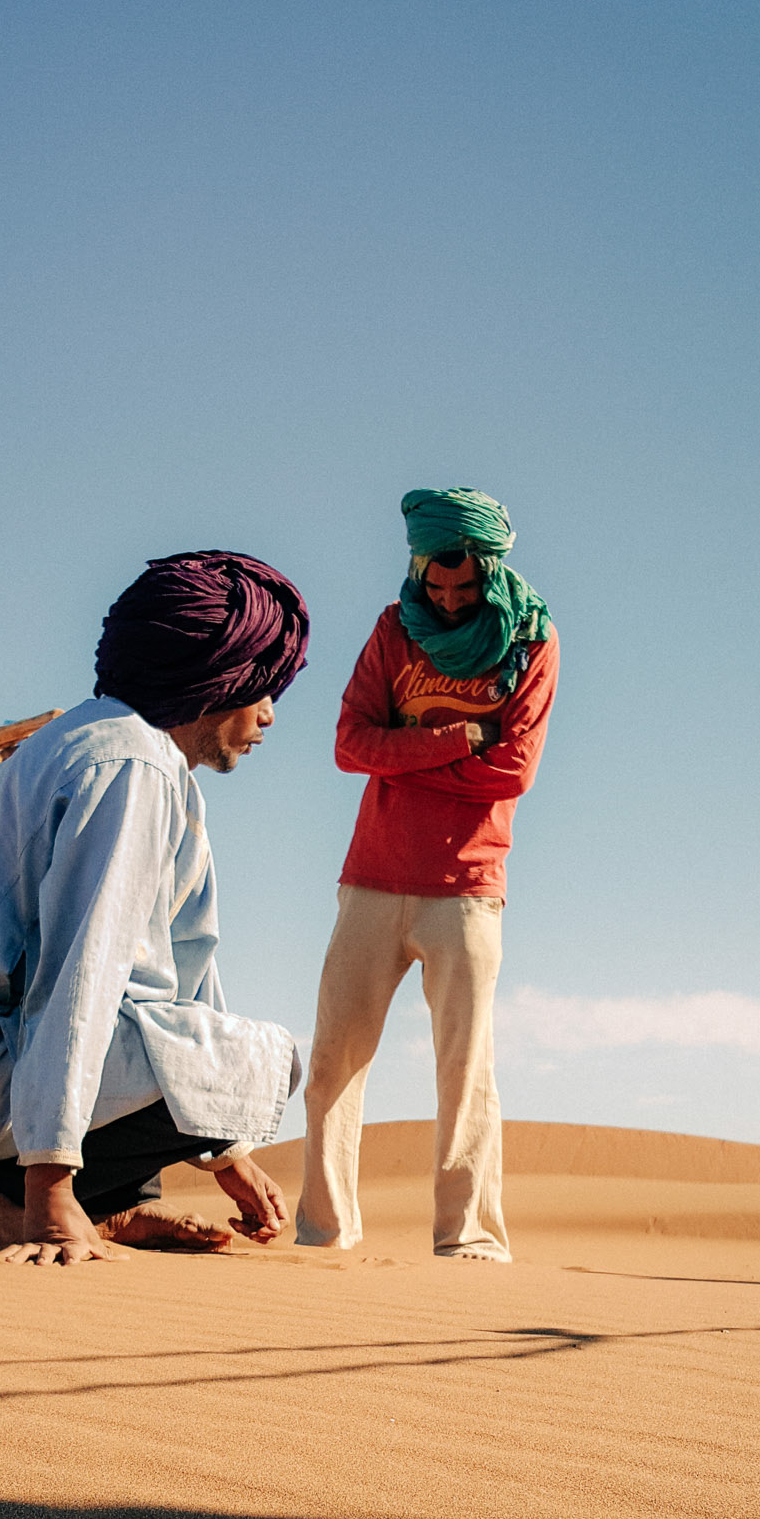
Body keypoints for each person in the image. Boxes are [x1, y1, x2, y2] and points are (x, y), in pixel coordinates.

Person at [0, 550, 309, 1266]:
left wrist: (226, 1148)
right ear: (214, 680)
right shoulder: (127, 765)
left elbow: (189, 972)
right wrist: (46, 1191)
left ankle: (116, 1199)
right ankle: (19, 1186)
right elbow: (80, 973)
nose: (267, 715)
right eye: (261, 688)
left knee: (229, 1057)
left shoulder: (140, 758)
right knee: (265, 1060)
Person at [295, 488, 559, 1262]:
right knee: (332, 1062)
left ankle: (467, 1236)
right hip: (371, 877)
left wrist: (407, 751)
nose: (446, 600)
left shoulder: (531, 641)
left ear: (488, 569)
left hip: (470, 885)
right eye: (434, 585)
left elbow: (512, 771)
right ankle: (324, 1233)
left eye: (463, 587)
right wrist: (459, 738)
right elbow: (350, 744)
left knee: (464, 1069)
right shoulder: (391, 628)